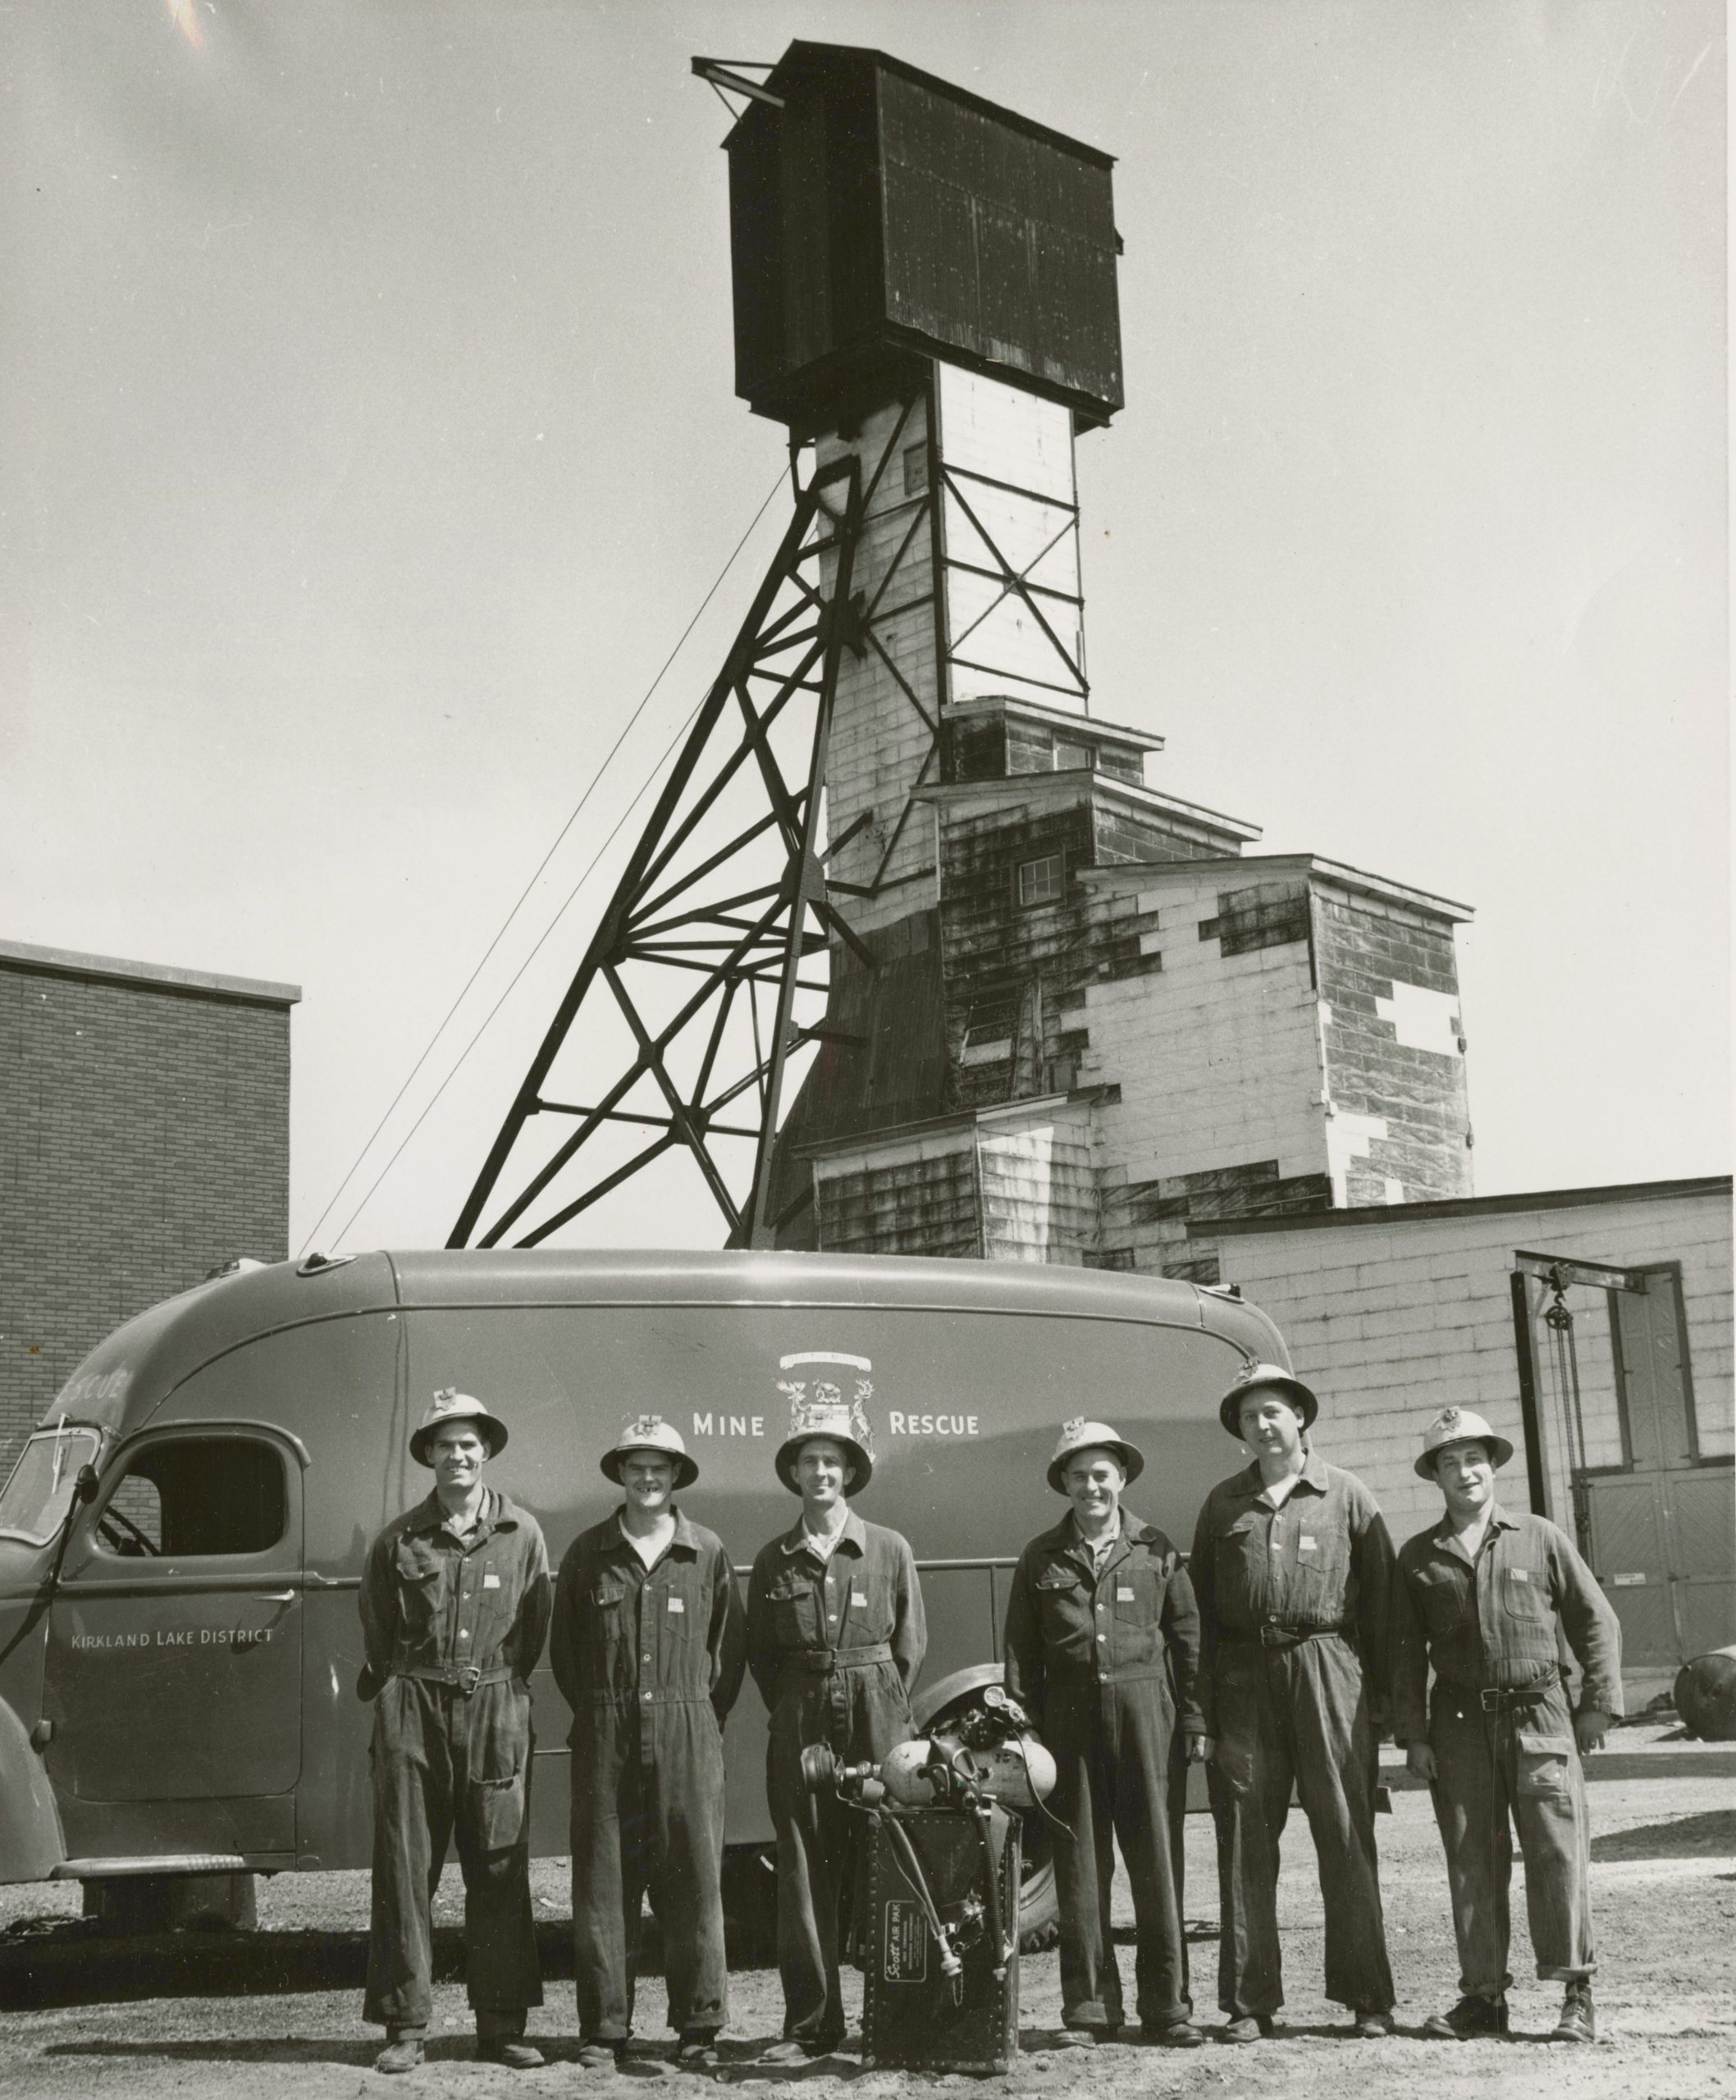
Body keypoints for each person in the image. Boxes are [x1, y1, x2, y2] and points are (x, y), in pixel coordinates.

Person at [1391, 1404, 1622, 2045]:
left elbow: (1595, 1619)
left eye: (1473, 1459)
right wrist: (1411, 1734)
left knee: (1556, 1852)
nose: (1464, 1472)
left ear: (1492, 1466)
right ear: (1434, 1476)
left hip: (1540, 1714)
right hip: (1459, 1723)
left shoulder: (1540, 1536)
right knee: (1471, 1860)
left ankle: (1577, 1993)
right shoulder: (1418, 1557)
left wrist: (1597, 1701)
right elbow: (1402, 1652)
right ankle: (1484, 1998)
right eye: (1449, 1462)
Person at [1190, 1363, 1396, 2043]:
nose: (1263, 1425)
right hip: (1245, 1680)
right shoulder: (1223, 1504)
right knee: (1246, 1839)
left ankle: (1369, 1998)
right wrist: (1208, 1710)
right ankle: (1251, 2004)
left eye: (1273, 1411)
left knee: (1344, 1832)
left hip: (1328, 1669)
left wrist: (1385, 1708)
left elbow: (1386, 1606)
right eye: (1250, 1417)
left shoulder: (1347, 1496)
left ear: (1300, 1417)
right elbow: (1201, 1616)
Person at [358, 1387, 551, 2075]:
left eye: (469, 1444)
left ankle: (501, 2027)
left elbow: (532, 1635)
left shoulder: (522, 1534)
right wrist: (413, 1690)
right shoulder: (400, 1540)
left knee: (499, 1863)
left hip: (496, 1706)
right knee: (407, 1867)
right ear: (430, 1458)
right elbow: (379, 1634)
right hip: (414, 1705)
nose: (458, 1456)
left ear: (487, 1452)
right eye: (445, 1445)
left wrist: (490, 1685)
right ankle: (404, 2025)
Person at [550, 1415, 746, 2072]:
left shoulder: (707, 1552)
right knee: (604, 1882)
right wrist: (608, 1712)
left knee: (691, 1877)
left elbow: (729, 1653)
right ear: (621, 1475)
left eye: (660, 1467)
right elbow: (567, 1656)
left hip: (689, 1731)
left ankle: (699, 2025)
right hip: (607, 1732)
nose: (648, 1477)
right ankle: (604, 2029)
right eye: (636, 1466)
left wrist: (693, 1717)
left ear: (676, 1476)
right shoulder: (587, 1553)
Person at [1003, 1419, 1205, 2049]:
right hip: (1070, 1724)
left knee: (1156, 1861)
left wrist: (1194, 1718)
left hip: (1148, 1714)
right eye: (1078, 1475)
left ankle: (1168, 2009)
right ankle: (1090, 2010)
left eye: (1101, 1474)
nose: (1090, 1486)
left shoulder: (1154, 1547)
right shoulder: (1040, 1556)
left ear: (1121, 1478)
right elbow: (1020, 1650)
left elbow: (1188, 1638)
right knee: (1081, 1868)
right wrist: (1025, 1726)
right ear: (1063, 1483)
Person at [745, 1379, 925, 2061]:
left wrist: (878, 1700)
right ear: (793, 1473)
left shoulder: (888, 1548)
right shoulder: (773, 1558)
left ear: (850, 1473)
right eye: (808, 1461)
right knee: (802, 1863)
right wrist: (803, 1703)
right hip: (801, 1713)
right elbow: (762, 1654)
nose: (820, 1473)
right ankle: (814, 2025)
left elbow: (909, 1645)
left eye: (833, 1462)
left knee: (892, 1856)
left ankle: (897, 2016)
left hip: (878, 1707)